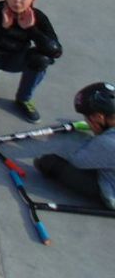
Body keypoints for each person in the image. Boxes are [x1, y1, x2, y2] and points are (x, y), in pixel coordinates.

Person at [34, 82, 115, 210]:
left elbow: (77, 161)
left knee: (49, 163)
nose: (86, 121)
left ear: (99, 117)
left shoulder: (106, 143)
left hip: (111, 194)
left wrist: (96, 138)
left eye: (87, 118)